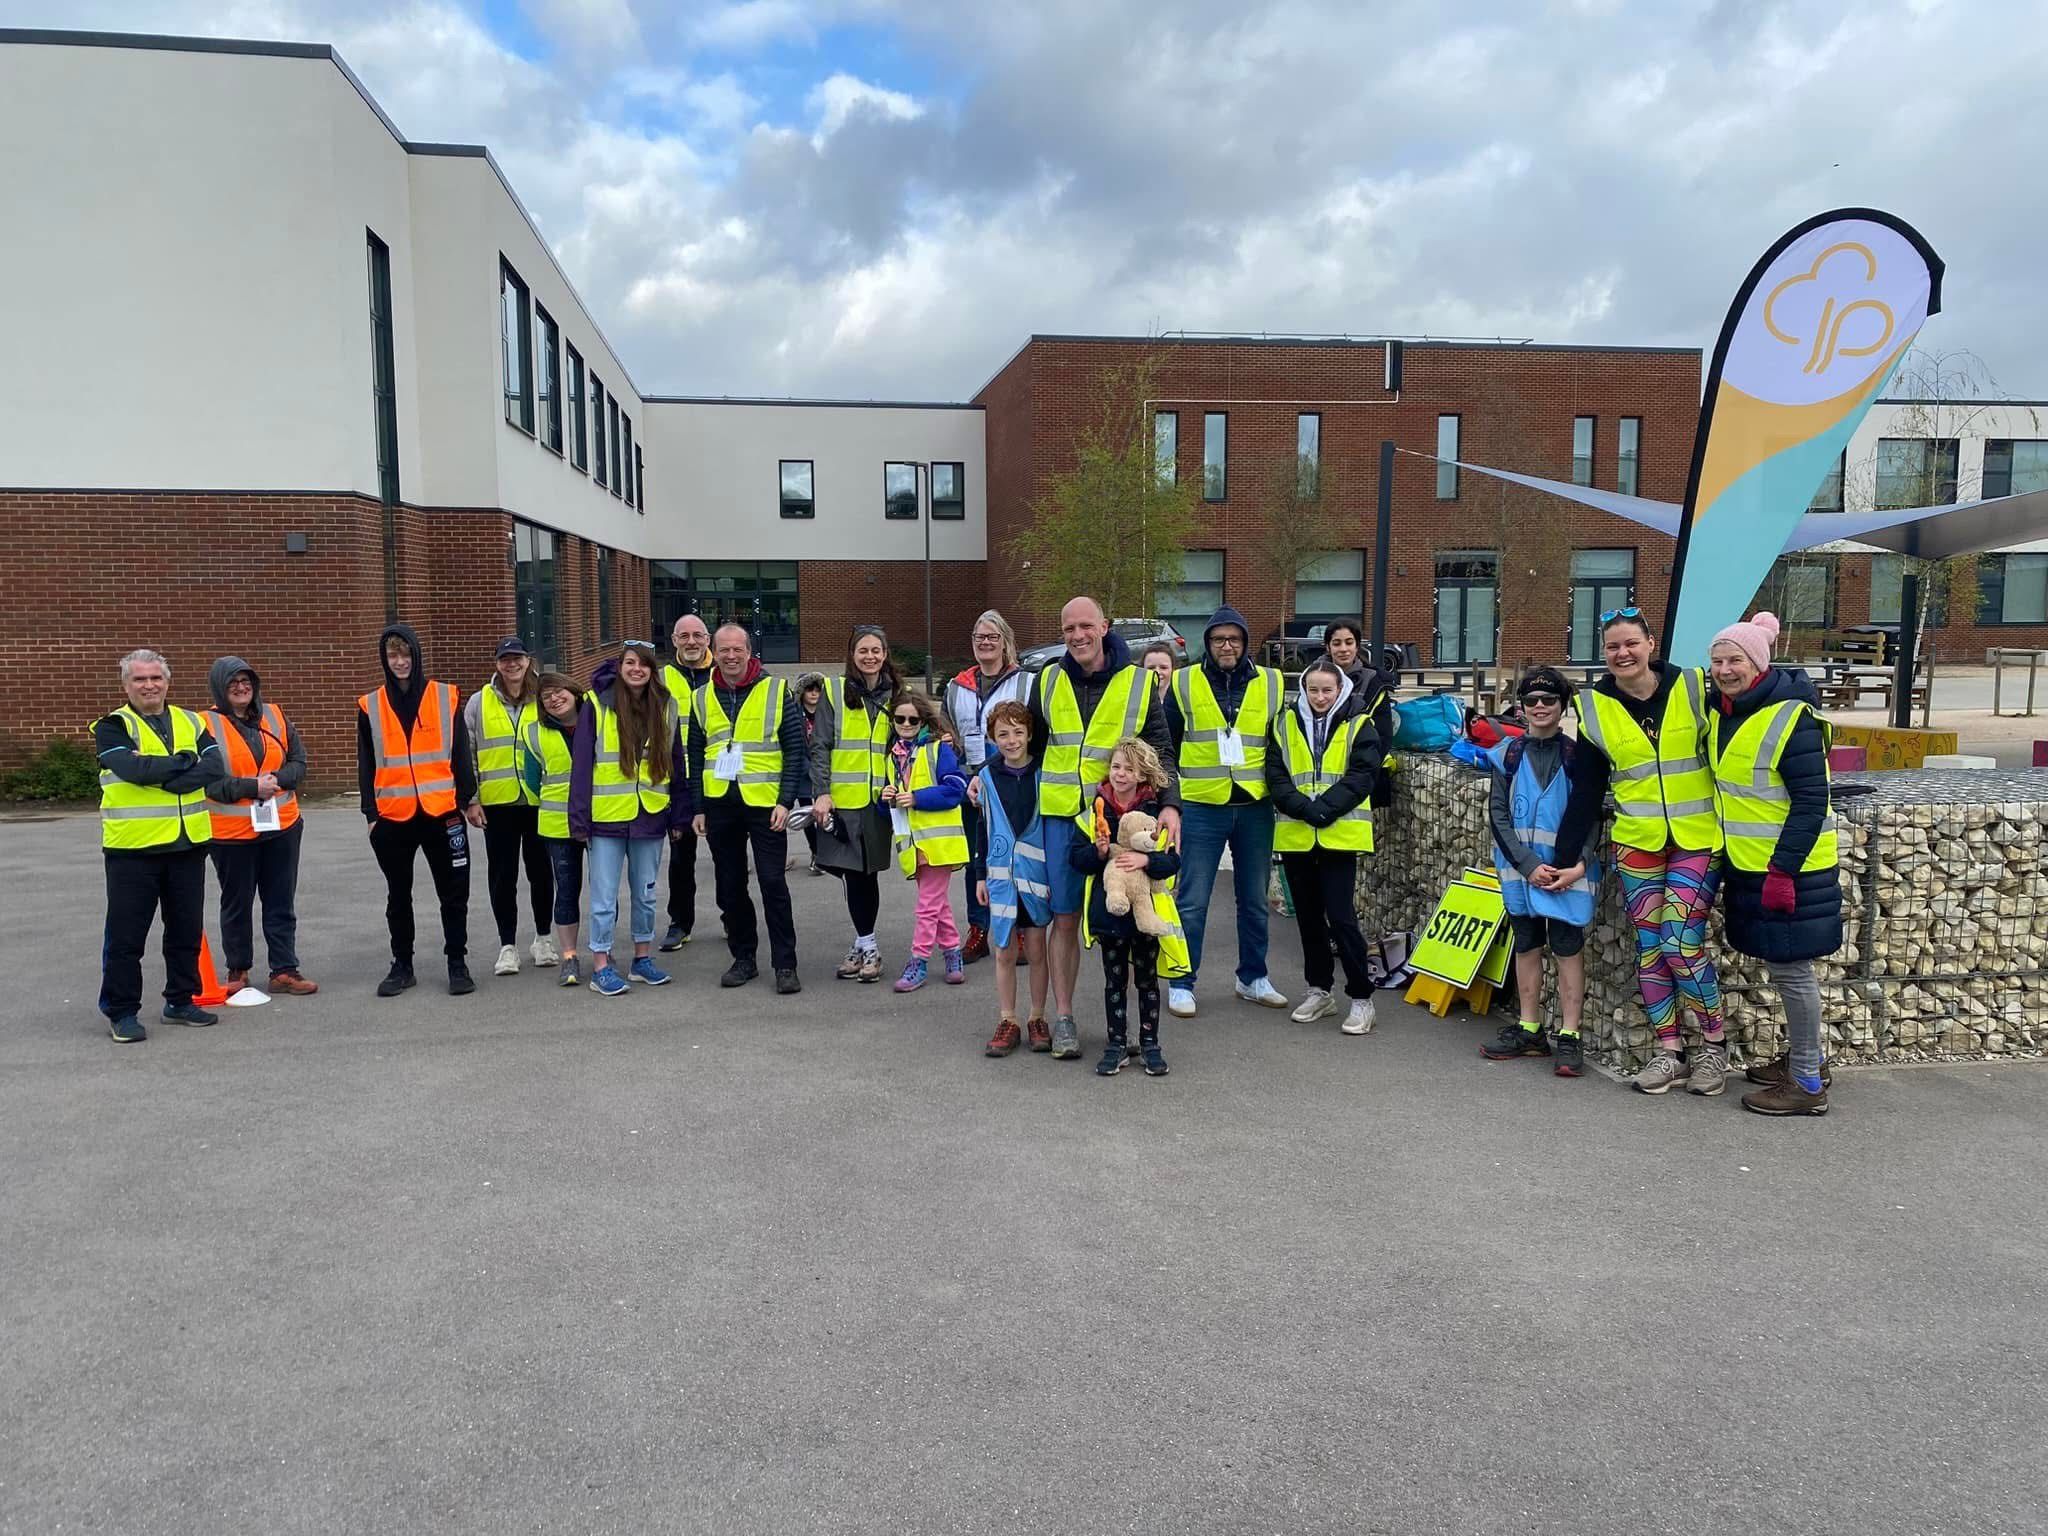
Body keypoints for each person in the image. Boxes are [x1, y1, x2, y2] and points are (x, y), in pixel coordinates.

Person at [1563, 607, 1728, 1096]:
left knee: (1680, 942)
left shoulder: (1696, 686)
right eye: (1613, 646)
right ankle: (1670, 1050)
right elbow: (1587, 790)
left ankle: (1714, 1048)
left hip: (1697, 838)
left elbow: (1757, 702)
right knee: (1652, 949)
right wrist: (1570, 855)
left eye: (1631, 643)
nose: (1622, 653)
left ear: (1651, 644)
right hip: (1637, 841)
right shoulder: (1594, 708)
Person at [1031, 597, 1180, 1060]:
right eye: (1068, 628)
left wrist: (1172, 806)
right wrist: (985, 779)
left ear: (1104, 627)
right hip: (1063, 821)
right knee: (1066, 919)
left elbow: (1161, 750)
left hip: (1122, 821)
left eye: (1085, 626)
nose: (1077, 635)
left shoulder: (1137, 683)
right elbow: (1028, 748)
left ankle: (1136, 1030)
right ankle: (1065, 1018)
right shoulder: (1047, 679)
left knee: (1132, 919)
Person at [1705, 613, 1842, 1117]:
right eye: (1717, 661)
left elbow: (1810, 801)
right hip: (1751, 864)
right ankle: (1807, 1063)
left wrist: (1783, 870)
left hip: (1792, 870)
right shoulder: (1727, 711)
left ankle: (1806, 1081)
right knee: (1784, 967)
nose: (1724, 669)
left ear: (1758, 663)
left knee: (1792, 972)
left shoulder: (1792, 718)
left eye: (1735, 660)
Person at [1163, 605, 1288, 1017]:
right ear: (1208, 643)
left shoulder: (1271, 683)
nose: (1227, 646)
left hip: (1254, 804)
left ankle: (1252, 977)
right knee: (1193, 900)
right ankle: (1182, 981)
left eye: (1234, 639)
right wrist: (1173, 803)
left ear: (1246, 643)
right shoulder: (1183, 683)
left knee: (1254, 899)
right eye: (1219, 639)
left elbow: (1282, 744)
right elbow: (1166, 748)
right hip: (1202, 806)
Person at [94, 649, 225, 1042]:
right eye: (139, 679)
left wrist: (164, 774)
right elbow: (131, 769)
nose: (149, 685)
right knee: (126, 937)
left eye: (155, 678)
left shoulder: (190, 720)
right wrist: (187, 763)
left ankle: (181, 1000)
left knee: (185, 929)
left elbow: (216, 767)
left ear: (167, 681)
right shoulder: (113, 725)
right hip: (133, 850)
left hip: (187, 844)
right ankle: (121, 1012)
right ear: (126, 685)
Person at [1478, 667, 1594, 1076]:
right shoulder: (1506, 756)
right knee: (1526, 943)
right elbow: (1498, 815)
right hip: (1520, 872)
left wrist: (1578, 863)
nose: (1540, 707)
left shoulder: (1579, 757)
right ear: (1522, 707)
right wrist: (1526, 865)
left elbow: (1590, 814)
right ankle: (1529, 1028)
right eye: (1532, 701)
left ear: (1563, 706)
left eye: (1549, 700)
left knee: (1566, 947)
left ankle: (1570, 1035)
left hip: (1567, 873)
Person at [358, 624, 478, 998]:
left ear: (417, 655)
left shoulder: (445, 697)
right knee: (398, 895)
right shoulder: (370, 705)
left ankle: (457, 963)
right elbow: (366, 762)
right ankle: (402, 965)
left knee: (454, 894)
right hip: (393, 817)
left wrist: (468, 799)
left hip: (441, 813)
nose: (400, 662)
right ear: (384, 659)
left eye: (406, 654)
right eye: (393, 655)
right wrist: (371, 814)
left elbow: (460, 753)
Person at [1266, 658, 1383, 1036]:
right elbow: (1276, 775)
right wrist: (1303, 808)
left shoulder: (1360, 724)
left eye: (1327, 690)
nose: (1319, 696)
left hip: (1338, 836)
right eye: (1313, 689)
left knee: (1342, 918)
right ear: (1304, 690)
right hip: (1298, 837)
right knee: (1309, 920)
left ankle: (1362, 997)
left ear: (1341, 690)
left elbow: (1363, 775)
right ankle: (1319, 990)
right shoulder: (1283, 724)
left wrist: (1324, 809)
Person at [690, 623, 804, 992]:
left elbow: (794, 748)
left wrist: (785, 801)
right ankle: (744, 958)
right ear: (714, 652)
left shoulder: (774, 689)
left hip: (765, 804)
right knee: (730, 885)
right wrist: (698, 807)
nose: (731, 656)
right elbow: (694, 754)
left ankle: (785, 965)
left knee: (772, 883)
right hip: (720, 804)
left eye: (737, 649)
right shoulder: (702, 696)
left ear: (749, 651)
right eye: (724, 650)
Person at [572, 640, 684, 997]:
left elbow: (676, 761)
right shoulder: (595, 704)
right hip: (606, 819)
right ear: (619, 667)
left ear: (652, 670)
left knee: (647, 894)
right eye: (630, 663)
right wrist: (579, 817)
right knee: (604, 897)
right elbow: (582, 764)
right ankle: (601, 965)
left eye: (644, 664)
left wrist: (678, 815)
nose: (637, 669)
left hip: (650, 815)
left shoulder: (666, 706)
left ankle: (642, 959)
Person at [1068, 737, 1185, 1077]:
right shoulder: (1094, 811)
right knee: (1114, 981)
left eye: (1129, 769)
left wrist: (1145, 860)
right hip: (1110, 913)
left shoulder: (1154, 813)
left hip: (1146, 913)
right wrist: (1100, 853)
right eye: (1116, 767)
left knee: (1147, 982)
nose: (1120, 774)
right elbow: (1077, 859)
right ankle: (1116, 1043)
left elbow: (1172, 861)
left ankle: (1150, 1044)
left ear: (1142, 774)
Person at [201, 656, 314, 997]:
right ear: (220, 688)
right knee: (237, 903)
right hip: (230, 834)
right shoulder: (203, 725)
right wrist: (252, 788)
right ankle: (238, 969)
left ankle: (284, 969)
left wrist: (276, 780)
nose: (241, 686)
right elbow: (208, 782)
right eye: (233, 681)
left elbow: (299, 762)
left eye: (246, 680)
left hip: (282, 826)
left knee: (280, 900)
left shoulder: (276, 716)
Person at [810, 625, 903, 984]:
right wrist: (821, 792)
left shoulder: (897, 693)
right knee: (850, 873)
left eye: (876, 650)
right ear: (852, 654)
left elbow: (912, 737)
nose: (870, 656)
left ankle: (865, 944)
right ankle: (867, 945)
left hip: (879, 801)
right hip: (842, 801)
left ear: (885, 654)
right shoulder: (833, 690)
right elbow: (820, 745)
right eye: (863, 650)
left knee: (867, 874)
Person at [465, 637, 555, 978]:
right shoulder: (478, 702)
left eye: (517, 658)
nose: (512, 665)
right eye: (505, 659)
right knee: (503, 876)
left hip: (539, 801)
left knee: (541, 872)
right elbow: (468, 752)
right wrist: (471, 800)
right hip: (498, 803)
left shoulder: (544, 696)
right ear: (497, 663)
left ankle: (543, 938)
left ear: (528, 661)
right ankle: (507, 946)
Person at [945, 610, 1032, 963]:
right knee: (976, 860)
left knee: (1017, 857)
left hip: (1013, 782)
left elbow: (1034, 733)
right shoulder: (956, 686)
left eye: (992, 637)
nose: (985, 643)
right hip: (972, 788)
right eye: (979, 637)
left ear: (1006, 642)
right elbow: (947, 733)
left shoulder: (1025, 682)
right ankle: (979, 928)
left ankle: (1022, 930)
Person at [975, 700, 1051, 1055]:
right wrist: (979, 876)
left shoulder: (1044, 772)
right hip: (1001, 877)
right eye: (1002, 734)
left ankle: (1037, 1016)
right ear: (992, 738)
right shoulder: (987, 777)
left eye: (1018, 732)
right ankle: (1008, 1019)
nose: (1011, 740)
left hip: (1036, 877)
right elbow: (982, 827)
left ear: (1029, 734)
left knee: (1036, 949)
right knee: (1003, 949)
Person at [883, 691, 970, 992]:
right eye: (900, 719)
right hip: (913, 844)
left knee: (926, 905)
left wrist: (917, 798)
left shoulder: (937, 749)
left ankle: (918, 961)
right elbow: (894, 806)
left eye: (912, 719)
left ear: (923, 721)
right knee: (936, 903)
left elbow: (956, 789)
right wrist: (887, 798)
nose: (905, 724)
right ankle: (952, 953)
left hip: (939, 843)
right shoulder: (893, 756)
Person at [526, 671, 586, 987]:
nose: (553, 698)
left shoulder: (598, 721)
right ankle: (569, 956)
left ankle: (603, 951)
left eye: (558, 690)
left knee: (604, 892)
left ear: (574, 691)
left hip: (600, 817)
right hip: (557, 823)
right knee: (566, 890)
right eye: (545, 695)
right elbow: (532, 781)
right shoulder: (535, 732)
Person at [659, 614, 714, 952]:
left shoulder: (723, 670)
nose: (691, 642)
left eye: (697, 635)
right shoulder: (662, 678)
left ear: (707, 639)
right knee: (680, 859)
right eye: (684, 636)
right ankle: (680, 922)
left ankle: (731, 917)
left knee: (728, 857)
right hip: (677, 782)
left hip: (717, 779)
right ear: (674, 640)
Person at [793, 671, 827, 874]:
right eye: (809, 689)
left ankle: (825, 852)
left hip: (824, 771)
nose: (814, 693)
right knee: (807, 815)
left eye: (817, 689)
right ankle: (815, 852)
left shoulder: (826, 713)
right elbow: (794, 743)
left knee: (825, 814)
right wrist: (807, 766)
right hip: (803, 771)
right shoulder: (795, 713)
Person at [1136, 641, 1177, 708]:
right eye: (1151, 668)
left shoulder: (1181, 698)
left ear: (1173, 669)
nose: (1157, 672)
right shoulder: (1136, 699)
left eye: (1163, 667)